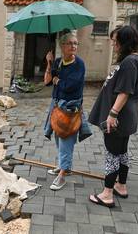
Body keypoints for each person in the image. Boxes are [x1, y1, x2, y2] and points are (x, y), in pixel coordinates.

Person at [88, 25, 138, 208]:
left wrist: (112, 115)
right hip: (126, 116)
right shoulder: (137, 59)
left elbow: (125, 92)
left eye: (115, 41)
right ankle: (121, 185)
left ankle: (107, 194)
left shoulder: (129, 62)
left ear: (125, 41)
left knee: (112, 153)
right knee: (121, 151)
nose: (113, 45)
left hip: (119, 117)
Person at [43, 32, 86, 190]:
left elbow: (70, 86)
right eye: (70, 43)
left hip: (70, 108)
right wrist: (49, 63)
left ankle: (62, 175)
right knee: (58, 138)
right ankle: (64, 166)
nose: (74, 46)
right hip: (56, 107)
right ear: (62, 46)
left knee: (66, 140)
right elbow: (47, 81)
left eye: (76, 43)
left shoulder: (79, 64)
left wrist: (57, 80)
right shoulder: (59, 62)